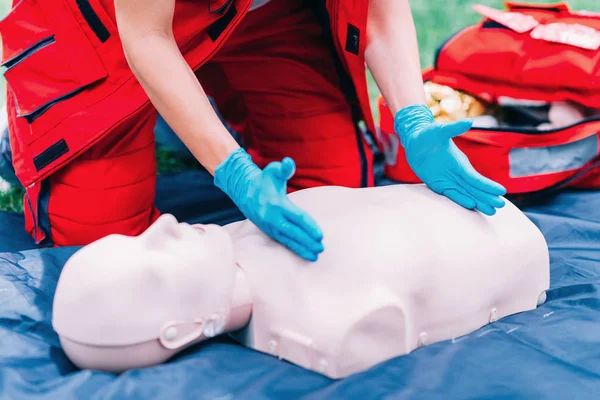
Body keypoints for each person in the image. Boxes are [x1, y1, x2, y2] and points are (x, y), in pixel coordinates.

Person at [1, 0, 506, 261]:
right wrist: (235, 170)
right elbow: (147, 36)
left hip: (264, 17)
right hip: (114, 27)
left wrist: (413, 119)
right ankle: (27, 137)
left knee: (335, 191)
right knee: (102, 254)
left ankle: (196, 108)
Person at [52, 183, 548, 378]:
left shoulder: (230, 239)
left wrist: (410, 115)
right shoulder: (330, 321)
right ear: (178, 331)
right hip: (506, 236)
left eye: (138, 238)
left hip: (491, 216)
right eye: (153, 263)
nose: (162, 226)